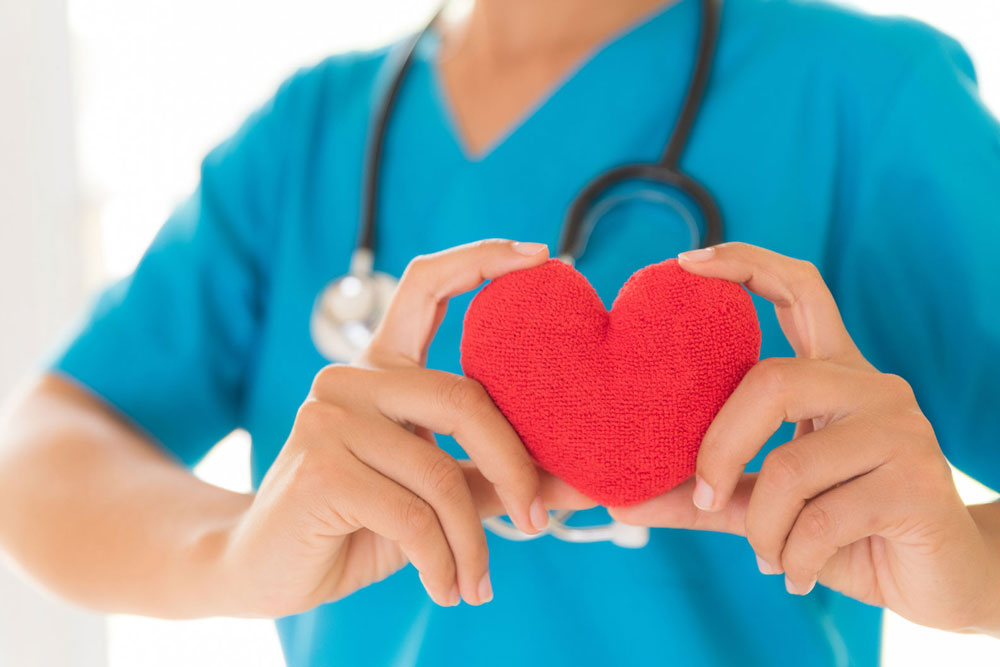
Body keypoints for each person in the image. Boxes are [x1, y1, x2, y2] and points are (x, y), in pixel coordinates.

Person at [1, 0, 999, 664]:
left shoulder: (863, 97)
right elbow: (49, 450)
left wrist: (977, 572)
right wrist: (228, 549)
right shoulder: (308, 134)